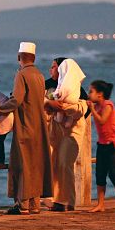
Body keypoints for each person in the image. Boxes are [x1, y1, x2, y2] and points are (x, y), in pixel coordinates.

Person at [0, 42, 53, 215]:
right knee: (35, 164)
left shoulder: (22, 74)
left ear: (19, 57)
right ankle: (35, 204)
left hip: (25, 125)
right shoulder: (39, 75)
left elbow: (17, 99)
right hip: (39, 126)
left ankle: (23, 204)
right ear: (33, 58)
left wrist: (0, 109)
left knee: (22, 165)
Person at [44, 57, 90, 212]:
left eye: (54, 67)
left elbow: (85, 108)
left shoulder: (75, 89)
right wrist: (49, 103)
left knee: (65, 162)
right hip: (54, 131)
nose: (51, 70)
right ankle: (57, 200)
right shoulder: (48, 85)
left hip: (72, 131)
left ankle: (68, 201)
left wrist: (64, 109)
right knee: (54, 163)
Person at [87, 80, 115, 212]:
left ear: (100, 94)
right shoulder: (96, 106)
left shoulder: (108, 105)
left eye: (91, 91)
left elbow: (102, 120)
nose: (89, 94)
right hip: (102, 144)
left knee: (113, 172)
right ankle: (100, 204)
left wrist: (92, 109)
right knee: (100, 174)